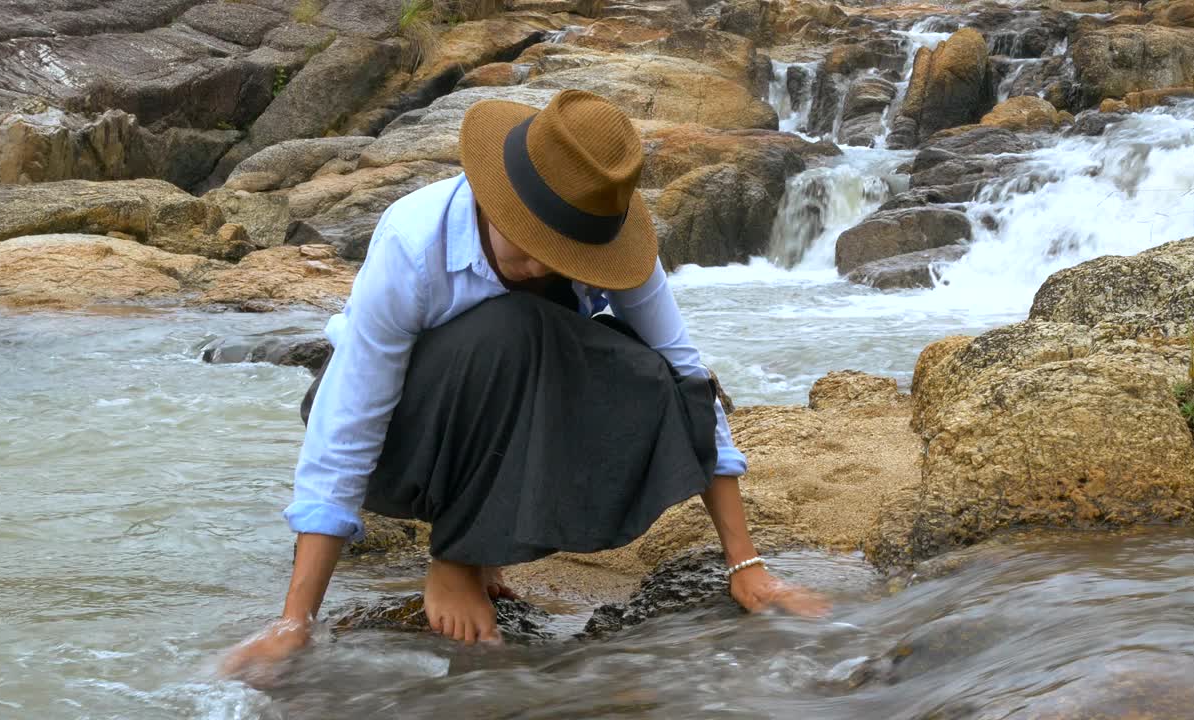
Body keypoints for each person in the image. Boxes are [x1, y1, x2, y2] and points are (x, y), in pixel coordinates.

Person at [223, 89, 828, 680]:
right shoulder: (413, 243)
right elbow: (348, 420)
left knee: (643, 367)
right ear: (495, 198)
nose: (542, 265)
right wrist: (294, 620)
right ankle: (457, 558)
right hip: (402, 443)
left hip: (501, 422)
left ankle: (478, 554)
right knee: (515, 324)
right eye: (532, 242)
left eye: (562, 253)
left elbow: (688, 379)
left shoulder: (605, 237)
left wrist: (748, 565)